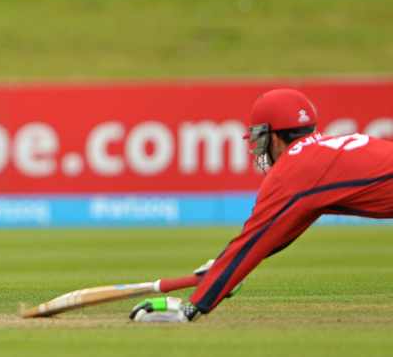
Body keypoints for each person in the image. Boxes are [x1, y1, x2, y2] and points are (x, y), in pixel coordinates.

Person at [130, 88, 393, 323]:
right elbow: (275, 236)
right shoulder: (319, 155)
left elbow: (252, 242)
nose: (258, 148)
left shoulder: (293, 170)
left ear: (274, 137)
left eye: (260, 137)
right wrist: (224, 266)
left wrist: (191, 308)